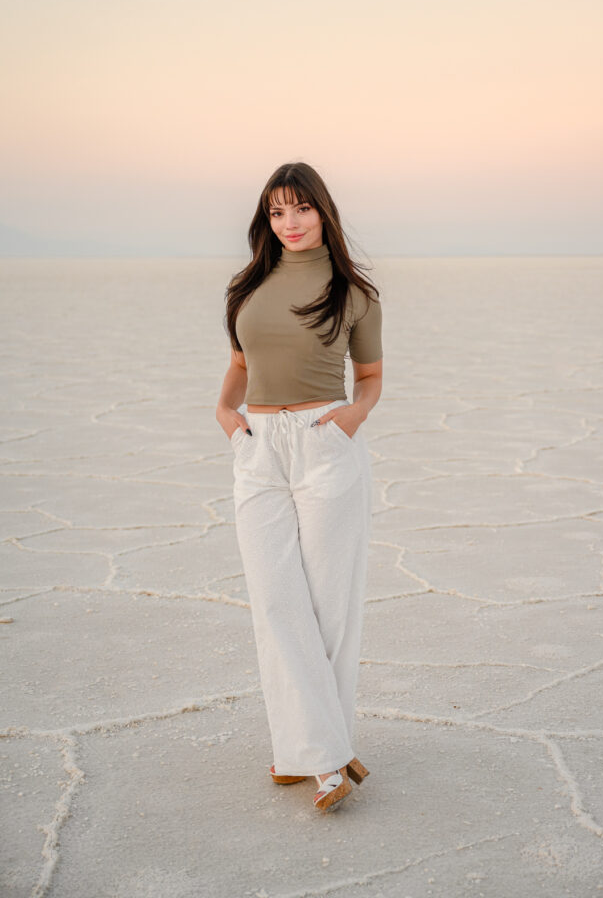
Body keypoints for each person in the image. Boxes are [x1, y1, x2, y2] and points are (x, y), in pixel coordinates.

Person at [216, 161, 383, 813]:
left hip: (323, 440)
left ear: (323, 212)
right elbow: (237, 363)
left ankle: (316, 759)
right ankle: (322, 749)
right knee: (274, 599)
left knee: (328, 606)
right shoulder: (245, 286)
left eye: (301, 209)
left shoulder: (353, 292)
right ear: (266, 219)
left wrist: (346, 421)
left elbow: (369, 377)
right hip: (257, 446)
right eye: (277, 211)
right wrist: (227, 417)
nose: (289, 222)